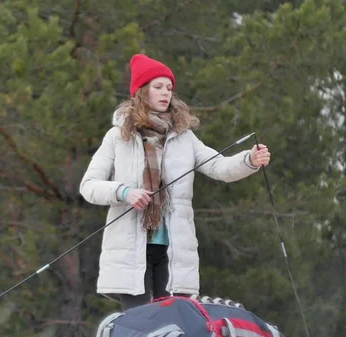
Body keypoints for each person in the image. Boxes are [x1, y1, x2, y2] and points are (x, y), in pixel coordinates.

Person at [79, 54, 271, 311]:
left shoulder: (185, 137)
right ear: (141, 92)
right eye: (158, 87)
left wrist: (250, 159)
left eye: (169, 88)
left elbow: (220, 167)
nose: (165, 93)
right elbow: (89, 185)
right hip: (130, 255)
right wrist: (124, 192)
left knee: (175, 324)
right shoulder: (117, 137)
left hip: (175, 254)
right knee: (141, 326)